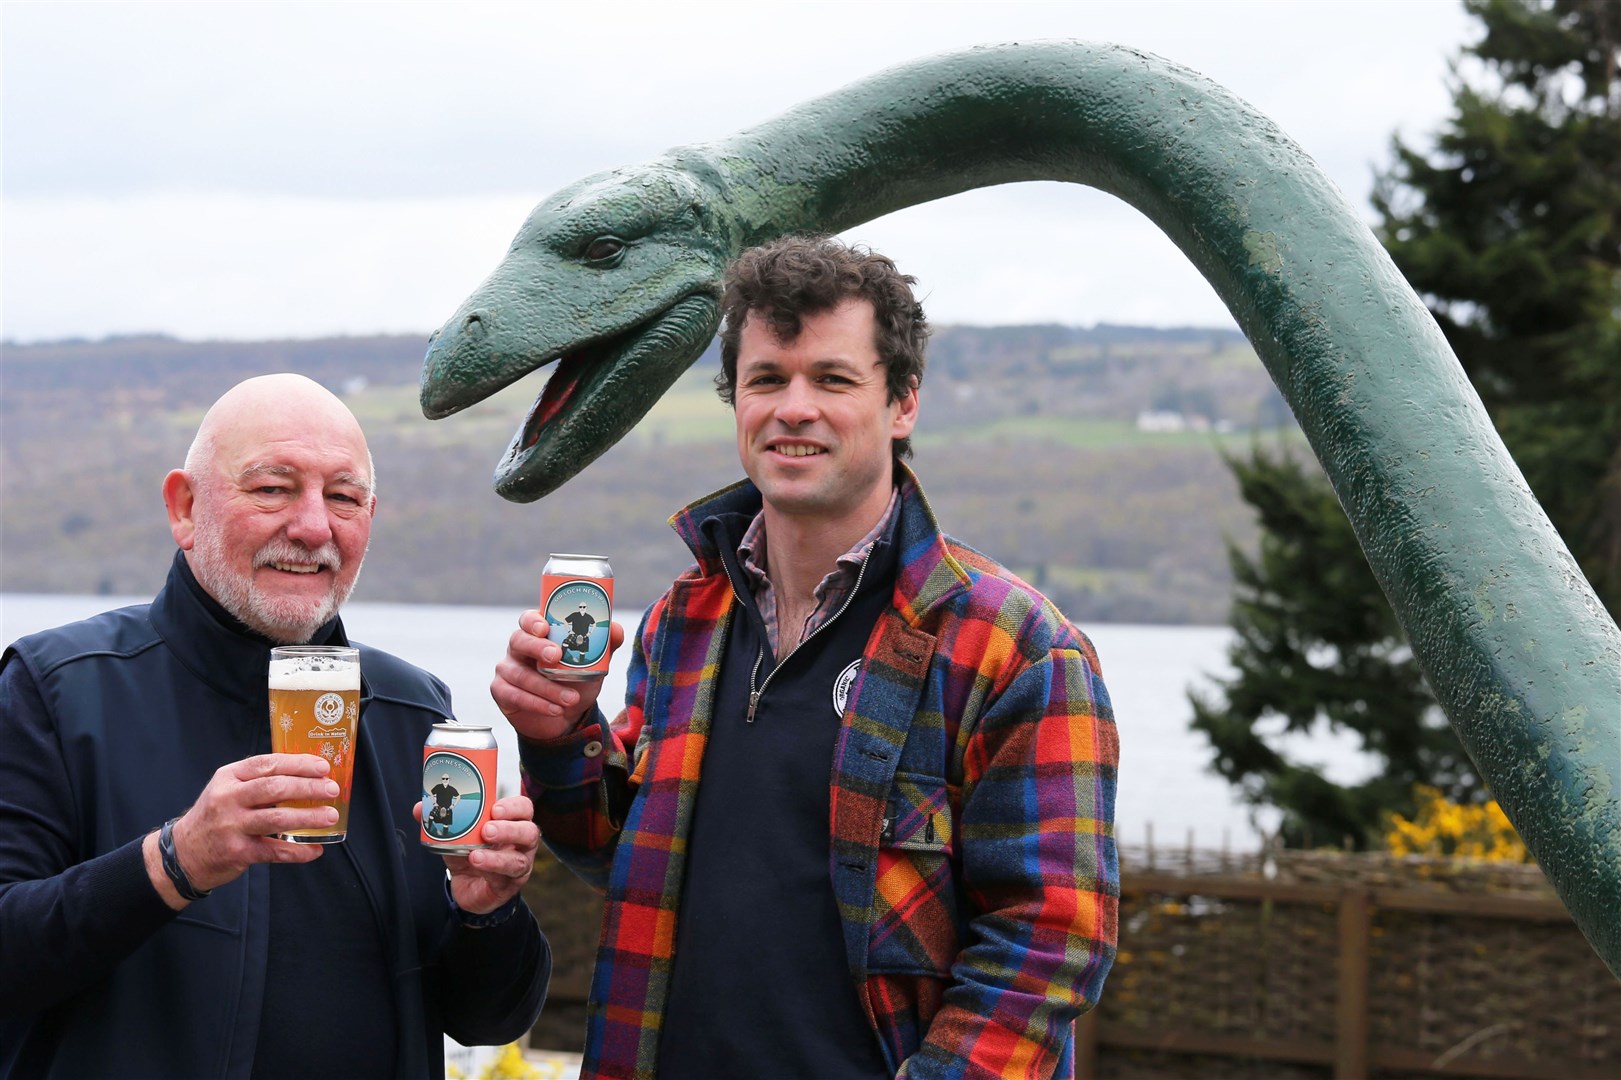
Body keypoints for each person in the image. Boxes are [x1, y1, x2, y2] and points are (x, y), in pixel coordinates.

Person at [493, 237, 1119, 1078]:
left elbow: (1049, 945)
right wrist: (561, 729)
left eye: (831, 379)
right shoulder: (683, 621)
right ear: (736, 403)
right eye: (766, 379)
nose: (794, 407)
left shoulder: (1015, 649)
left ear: (901, 405)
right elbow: (616, 852)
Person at [0, 374, 550, 1079]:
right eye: (272, 489)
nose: (314, 527)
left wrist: (487, 913)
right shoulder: (57, 688)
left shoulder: (414, 710)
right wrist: (174, 862)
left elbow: (490, 1019)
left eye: (344, 498)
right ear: (185, 506)